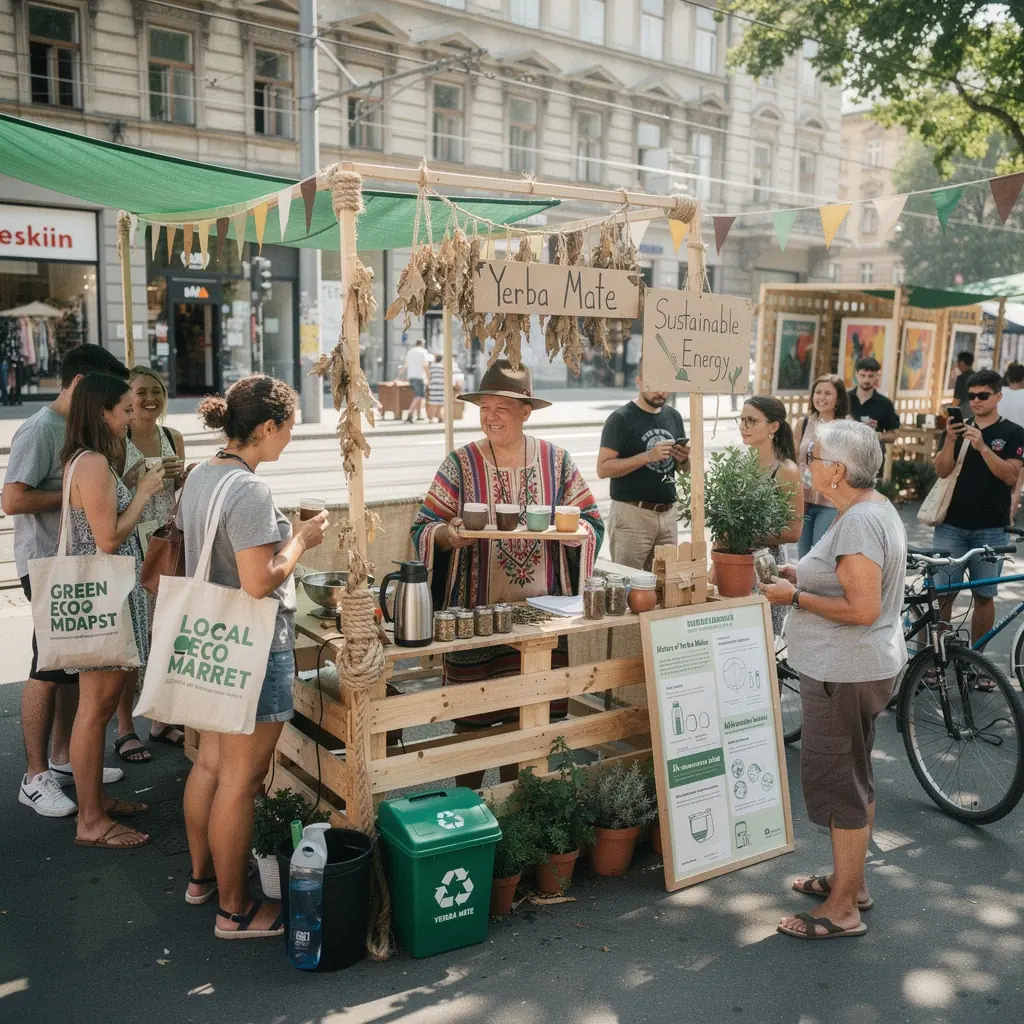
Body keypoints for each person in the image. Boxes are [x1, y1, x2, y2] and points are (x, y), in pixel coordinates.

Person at [180, 375, 328, 938]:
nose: (289, 440)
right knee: (241, 781)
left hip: (208, 641)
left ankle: (202, 882)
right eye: (288, 430)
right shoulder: (249, 491)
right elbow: (259, 581)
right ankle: (234, 910)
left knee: (212, 765)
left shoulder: (201, 475)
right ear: (267, 428)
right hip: (251, 646)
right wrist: (300, 540)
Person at [411, 360, 603, 784]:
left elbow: (592, 519)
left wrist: (576, 535)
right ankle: (470, 808)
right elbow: (424, 525)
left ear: (525, 412)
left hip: (543, 616)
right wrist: (448, 534)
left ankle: (519, 805)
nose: (490, 416)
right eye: (485, 407)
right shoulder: (459, 464)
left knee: (529, 718)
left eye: (501, 408)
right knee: (471, 719)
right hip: (475, 616)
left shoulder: (557, 461)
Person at [764, 420, 907, 940]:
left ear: (839, 471)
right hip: (859, 668)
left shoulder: (859, 522)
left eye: (814, 456)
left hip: (843, 672)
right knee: (855, 775)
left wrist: (794, 599)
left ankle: (842, 910)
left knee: (839, 785)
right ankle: (852, 884)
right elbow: (849, 580)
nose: (808, 464)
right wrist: (801, 576)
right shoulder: (870, 508)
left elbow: (862, 606)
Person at [2, 344, 130, 818]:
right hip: (46, 565)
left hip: (72, 566)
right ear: (81, 385)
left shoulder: (77, 429)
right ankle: (34, 776)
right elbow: (11, 500)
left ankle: (61, 759)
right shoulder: (40, 429)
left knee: (75, 665)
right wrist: (79, 494)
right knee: (48, 668)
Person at [62, 373, 165, 848]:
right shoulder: (94, 464)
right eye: (124, 409)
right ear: (102, 412)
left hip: (111, 596)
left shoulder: (92, 463)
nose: (131, 416)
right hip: (105, 599)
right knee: (95, 709)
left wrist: (129, 484)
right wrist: (143, 493)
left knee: (99, 709)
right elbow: (106, 539)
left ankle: (95, 803)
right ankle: (91, 822)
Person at [117, 366, 188, 756]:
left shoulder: (171, 436)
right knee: (131, 644)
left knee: (164, 636)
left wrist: (184, 475)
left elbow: (180, 497)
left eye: (156, 391)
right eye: (141, 392)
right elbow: (110, 493)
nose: (149, 399)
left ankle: (161, 720)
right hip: (129, 545)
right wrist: (134, 479)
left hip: (164, 547)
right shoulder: (117, 436)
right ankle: (126, 728)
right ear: (126, 398)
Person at [933, 368, 1024, 647]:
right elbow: (941, 471)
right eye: (971, 396)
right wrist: (950, 439)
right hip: (950, 525)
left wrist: (983, 447)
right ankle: (940, 657)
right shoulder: (957, 430)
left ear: (998, 396)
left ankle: (978, 660)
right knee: (943, 594)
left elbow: (1010, 476)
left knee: (984, 596)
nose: (976, 401)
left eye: (983, 395)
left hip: (991, 528)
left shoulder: (1013, 432)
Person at [597, 361, 690, 570]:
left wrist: (683, 458)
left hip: (667, 514)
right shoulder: (620, 419)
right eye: (653, 383)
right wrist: (648, 456)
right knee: (627, 585)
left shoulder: (673, 416)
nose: (660, 391)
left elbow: (684, 470)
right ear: (638, 381)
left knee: (665, 587)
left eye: (665, 384)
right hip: (632, 515)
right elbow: (603, 469)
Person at [739, 396, 804, 635]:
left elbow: (794, 531)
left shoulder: (785, 470)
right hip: (734, 563)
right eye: (742, 419)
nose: (743, 426)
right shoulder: (741, 462)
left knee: (762, 643)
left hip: (765, 566)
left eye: (752, 420)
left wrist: (743, 533)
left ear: (773, 427)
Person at [794, 374, 850, 557]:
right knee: (802, 556)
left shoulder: (846, 427)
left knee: (820, 556)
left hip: (830, 501)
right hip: (804, 498)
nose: (821, 397)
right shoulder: (803, 424)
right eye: (817, 392)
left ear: (838, 399)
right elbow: (795, 459)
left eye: (827, 393)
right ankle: (802, 587)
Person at [847, 358, 900, 447]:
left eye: (871, 376)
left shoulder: (885, 403)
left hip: (873, 455)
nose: (866, 380)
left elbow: (893, 435)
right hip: (845, 454)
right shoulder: (844, 399)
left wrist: (877, 436)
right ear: (856, 374)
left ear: (877, 376)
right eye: (863, 375)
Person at [999, 363, 1024, 519]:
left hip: (999, 441)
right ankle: (1009, 518)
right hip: (1020, 444)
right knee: (1017, 484)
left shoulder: (1000, 394)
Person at [401, 339, 431, 423]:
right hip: (419, 377)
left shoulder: (410, 351)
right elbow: (425, 365)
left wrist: (400, 375)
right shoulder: (423, 351)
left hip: (411, 376)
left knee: (418, 395)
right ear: (422, 344)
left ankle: (418, 415)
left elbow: (406, 364)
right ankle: (409, 414)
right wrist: (429, 378)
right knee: (419, 396)